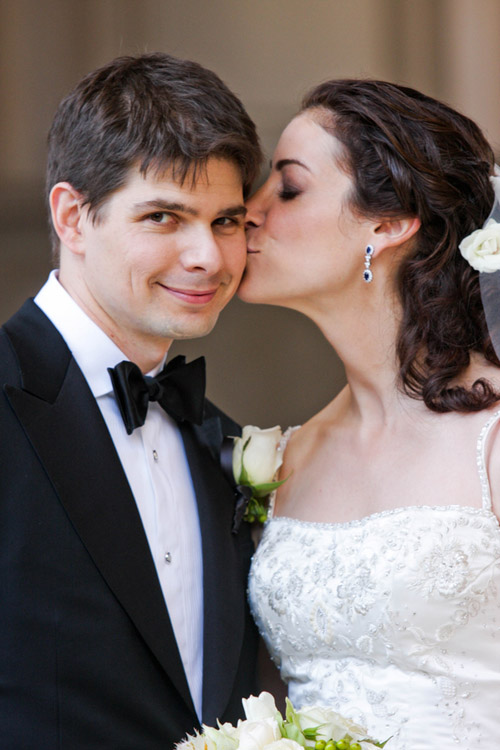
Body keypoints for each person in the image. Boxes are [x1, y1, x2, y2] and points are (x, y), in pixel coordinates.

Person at [0, 52, 262, 749]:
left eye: (228, 221)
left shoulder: (221, 440)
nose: (208, 256)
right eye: (164, 217)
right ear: (72, 217)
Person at [242, 79, 500, 748]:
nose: (248, 211)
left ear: (387, 224)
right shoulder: (286, 457)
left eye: (288, 188)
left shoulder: (493, 439)